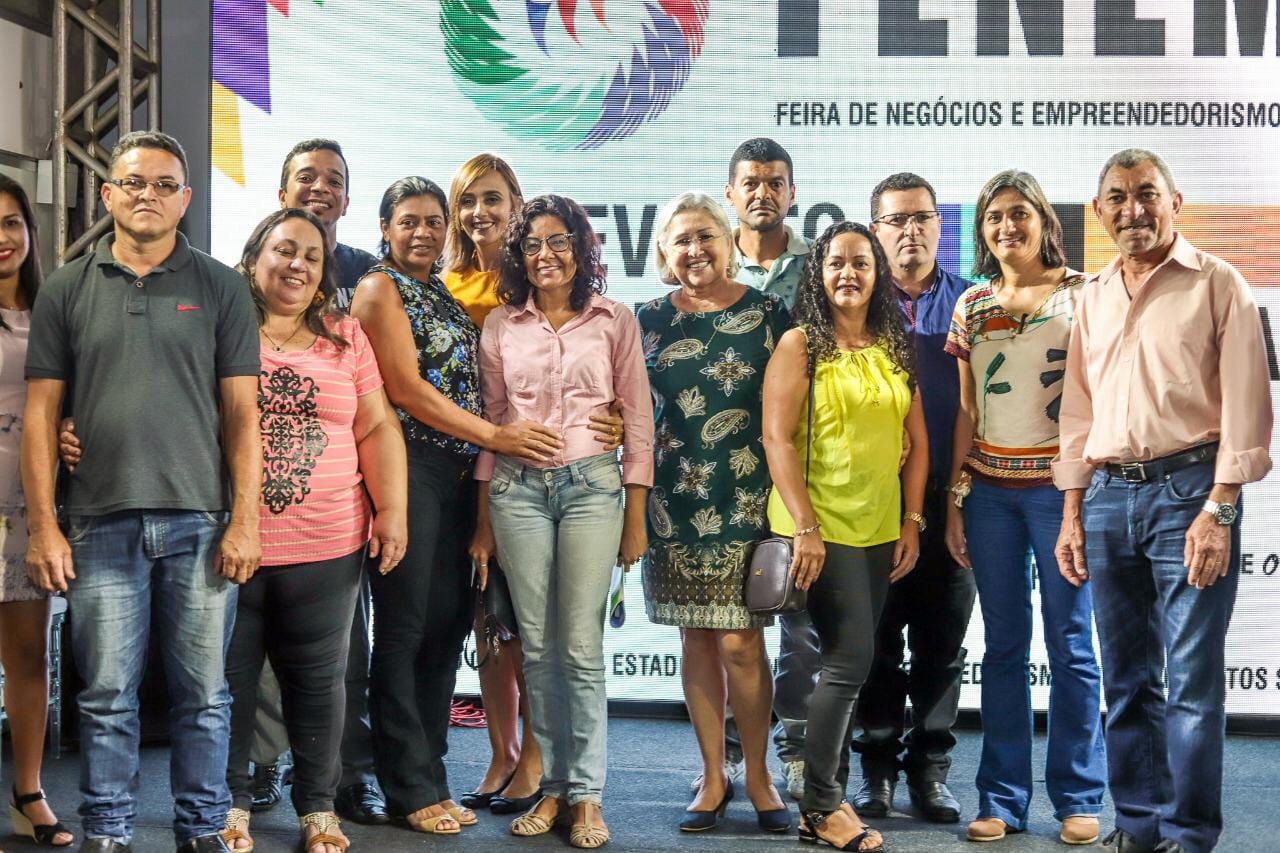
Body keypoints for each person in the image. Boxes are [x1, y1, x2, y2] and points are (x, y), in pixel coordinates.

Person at [22, 130, 261, 853]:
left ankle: (202, 828)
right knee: (105, 696)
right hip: (98, 521)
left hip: (201, 520)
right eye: (133, 182)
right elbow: (41, 415)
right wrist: (43, 527)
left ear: (185, 199)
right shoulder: (66, 287)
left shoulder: (221, 286)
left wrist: (245, 520)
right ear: (108, 194)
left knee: (205, 696)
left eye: (163, 184)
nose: (147, 195)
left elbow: (243, 414)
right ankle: (108, 830)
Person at [1054, 149, 1273, 853]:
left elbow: (1248, 407)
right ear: (1099, 213)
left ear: (1175, 202)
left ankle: (1188, 834)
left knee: (1192, 686)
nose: (1133, 210)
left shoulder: (1219, 283)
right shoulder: (1092, 295)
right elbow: (1078, 413)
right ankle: (1140, 825)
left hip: (1193, 497)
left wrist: (1220, 510)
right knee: (1125, 681)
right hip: (1106, 498)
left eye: (1147, 193)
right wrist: (1072, 510)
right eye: (1118, 198)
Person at [350, 176, 563, 836]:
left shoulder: (440, 291)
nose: (423, 231)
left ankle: (432, 775)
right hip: (406, 468)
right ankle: (406, 785)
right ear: (384, 229)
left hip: (457, 474)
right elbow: (407, 390)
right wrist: (497, 437)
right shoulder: (379, 288)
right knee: (405, 628)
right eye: (408, 220)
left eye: (433, 221)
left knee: (445, 629)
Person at [470, 194, 653, 848]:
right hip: (516, 492)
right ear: (518, 256)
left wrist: (636, 516)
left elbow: (638, 422)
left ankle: (588, 797)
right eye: (532, 244)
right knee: (539, 648)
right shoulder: (500, 325)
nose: (545, 254)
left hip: (592, 489)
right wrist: (484, 519)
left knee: (579, 648)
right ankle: (552, 788)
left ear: (580, 247)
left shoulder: (614, 319)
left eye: (558, 241)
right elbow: (492, 423)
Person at [943, 170, 1105, 845]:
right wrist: (955, 498)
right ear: (982, 231)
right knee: (1004, 646)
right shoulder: (972, 304)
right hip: (988, 497)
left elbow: (1099, 398)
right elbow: (966, 409)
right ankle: (1002, 799)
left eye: (1018, 213)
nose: (1006, 226)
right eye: (993, 217)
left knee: (1071, 645)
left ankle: (1078, 796)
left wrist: (1077, 497)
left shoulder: (1087, 294)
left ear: (1043, 220)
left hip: (1060, 495)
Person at [763, 220, 927, 853]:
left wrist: (912, 520)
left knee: (851, 661)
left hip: (879, 526)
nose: (848, 273)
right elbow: (777, 439)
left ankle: (824, 798)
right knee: (848, 660)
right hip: (819, 528)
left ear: (878, 273)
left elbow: (918, 444)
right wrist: (805, 526)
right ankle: (822, 805)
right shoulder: (800, 344)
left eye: (861, 262)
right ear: (818, 272)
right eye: (836, 262)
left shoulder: (894, 343)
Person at [638, 191, 791, 834]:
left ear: (729, 241)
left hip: (749, 498)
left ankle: (758, 776)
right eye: (681, 240)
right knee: (695, 639)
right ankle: (711, 776)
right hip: (671, 503)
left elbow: (796, 410)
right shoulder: (645, 319)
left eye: (706, 236)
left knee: (742, 644)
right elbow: (628, 408)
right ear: (663, 252)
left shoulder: (770, 314)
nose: (695, 250)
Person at [248, 138, 384, 825]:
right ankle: (255, 772)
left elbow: (374, 413)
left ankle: (343, 782)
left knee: (338, 662)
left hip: (335, 516)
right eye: (307, 177)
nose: (320, 188)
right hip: (249, 524)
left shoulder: (366, 276)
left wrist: (389, 505)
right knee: (250, 663)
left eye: (334, 179)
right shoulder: (237, 295)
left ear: (347, 200)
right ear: (282, 194)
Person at [852, 172, 975, 824]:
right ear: (876, 229)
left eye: (922, 217)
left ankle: (930, 771)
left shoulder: (972, 302)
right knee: (873, 642)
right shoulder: (853, 305)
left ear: (939, 225)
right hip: (871, 499)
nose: (910, 230)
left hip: (953, 495)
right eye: (896, 220)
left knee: (941, 645)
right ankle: (875, 770)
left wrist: (959, 494)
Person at [720, 137, 814, 801]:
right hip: (721, 471)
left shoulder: (817, 266)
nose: (762, 192)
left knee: (802, 625)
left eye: (775, 182)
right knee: (730, 622)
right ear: (731, 193)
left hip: (798, 467)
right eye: (750, 182)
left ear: (792, 192)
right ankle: (729, 755)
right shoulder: (705, 257)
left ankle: (799, 753)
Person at [0, 175, 72, 848]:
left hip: (31, 506)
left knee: (28, 655)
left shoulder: (55, 308)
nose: (3, 237)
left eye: (12, 222)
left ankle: (29, 793)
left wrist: (72, 426)